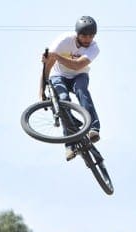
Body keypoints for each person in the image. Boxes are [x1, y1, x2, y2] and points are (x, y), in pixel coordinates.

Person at [42, 15, 101, 161]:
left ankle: (93, 128)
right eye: (84, 36)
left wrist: (57, 56)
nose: (88, 39)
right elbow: (47, 66)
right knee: (63, 100)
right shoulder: (63, 41)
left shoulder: (94, 48)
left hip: (79, 74)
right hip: (59, 75)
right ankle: (70, 145)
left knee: (82, 91)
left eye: (91, 36)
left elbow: (78, 65)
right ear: (77, 34)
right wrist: (41, 89)